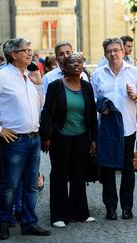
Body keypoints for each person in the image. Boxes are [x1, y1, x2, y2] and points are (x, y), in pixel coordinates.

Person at [0, 38, 51, 240]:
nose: (29, 53)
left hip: (33, 137)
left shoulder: (28, 75)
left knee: (31, 184)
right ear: (13, 55)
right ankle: (5, 222)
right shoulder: (1, 76)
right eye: (25, 50)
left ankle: (29, 223)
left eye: (29, 49)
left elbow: (39, 105)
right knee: (10, 185)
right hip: (14, 140)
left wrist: (39, 84)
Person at [92, 37, 137, 220]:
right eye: (110, 51)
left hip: (127, 129)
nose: (113, 53)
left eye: (117, 50)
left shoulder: (135, 72)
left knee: (127, 169)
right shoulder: (98, 74)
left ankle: (127, 207)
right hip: (107, 130)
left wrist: (136, 96)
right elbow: (92, 100)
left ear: (123, 52)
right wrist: (101, 105)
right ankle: (110, 208)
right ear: (105, 54)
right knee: (107, 170)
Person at [40, 52, 97, 227]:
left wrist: (93, 138)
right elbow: (47, 112)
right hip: (60, 137)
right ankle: (59, 215)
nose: (76, 65)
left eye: (79, 62)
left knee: (79, 174)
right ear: (64, 67)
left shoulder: (86, 87)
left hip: (81, 137)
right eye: (72, 62)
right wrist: (46, 136)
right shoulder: (56, 86)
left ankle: (79, 213)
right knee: (59, 175)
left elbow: (92, 114)